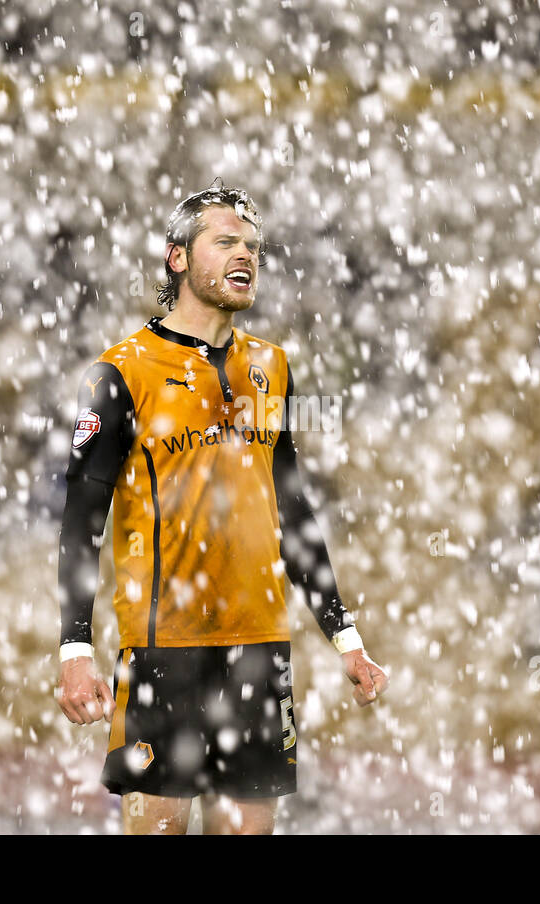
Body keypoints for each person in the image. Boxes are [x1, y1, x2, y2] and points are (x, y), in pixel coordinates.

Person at [55, 180, 388, 834]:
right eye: (227, 241)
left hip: (259, 649)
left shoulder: (272, 366)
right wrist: (74, 647)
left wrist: (345, 637)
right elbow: (81, 518)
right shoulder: (120, 372)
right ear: (177, 256)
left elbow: (292, 511)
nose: (246, 256)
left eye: (255, 247)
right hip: (163, 651)